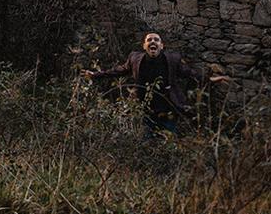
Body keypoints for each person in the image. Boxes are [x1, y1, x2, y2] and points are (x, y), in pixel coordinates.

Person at [83, 31, 229, 138]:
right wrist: (95, 75)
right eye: (149, 40)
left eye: (156, 40)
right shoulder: (134, 59)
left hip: (168, 108)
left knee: (168, 141)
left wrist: (210, 80)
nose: (153, 41)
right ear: (144, 45)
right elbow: (117, 71)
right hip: (146, 109)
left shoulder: (173, 59)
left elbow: (189, 73)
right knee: (147, 141)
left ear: (161, 45)